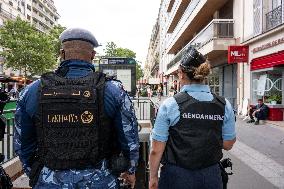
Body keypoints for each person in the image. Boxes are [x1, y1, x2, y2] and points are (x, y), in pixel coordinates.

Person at [14, 28, 139, 189]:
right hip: (100, 180)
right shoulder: (113, 91)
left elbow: (22, 144)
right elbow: (130, 141)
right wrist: (130, 170)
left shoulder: (31, 91)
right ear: (93, 55)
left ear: (61, 54)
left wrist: (39, 173)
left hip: (49, 181)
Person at [149, 46, 236, 189]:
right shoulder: (224, 104)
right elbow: (228, 144)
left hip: (176, 176)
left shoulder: (170, 105)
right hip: (211, 176)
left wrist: (153, 177)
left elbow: (156, 150)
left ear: (181, 74)